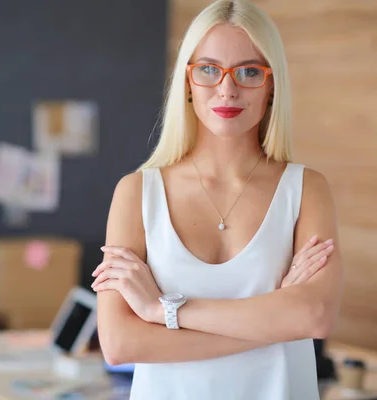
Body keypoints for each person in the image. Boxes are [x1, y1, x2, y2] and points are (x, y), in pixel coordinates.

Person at [92, 1, 343, 399]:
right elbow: (122, 344)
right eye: (208, 69)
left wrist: (164, 312)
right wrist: (275, 320)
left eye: (249, 72)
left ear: (272, 84)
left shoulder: (306, 190)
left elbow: (314, 316)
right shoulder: (136, 193)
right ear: (188, 82)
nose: (227, 88)